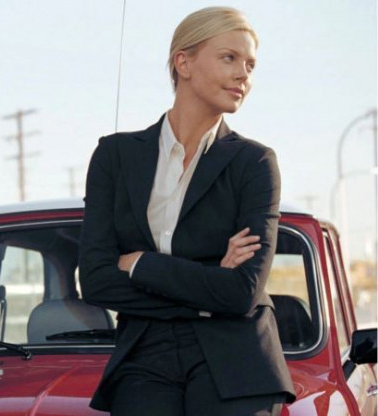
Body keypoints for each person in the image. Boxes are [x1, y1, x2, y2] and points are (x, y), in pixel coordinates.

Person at [79, 7, 295, 416]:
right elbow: (96, 282)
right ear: (184, 62)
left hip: (236, 359)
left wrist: (141, 264)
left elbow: (242, 292)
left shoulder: (255, 163)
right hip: (144, 353)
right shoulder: (114, 155)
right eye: (229, 58)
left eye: (250, 65)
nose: (243, 75)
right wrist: (210, 287)